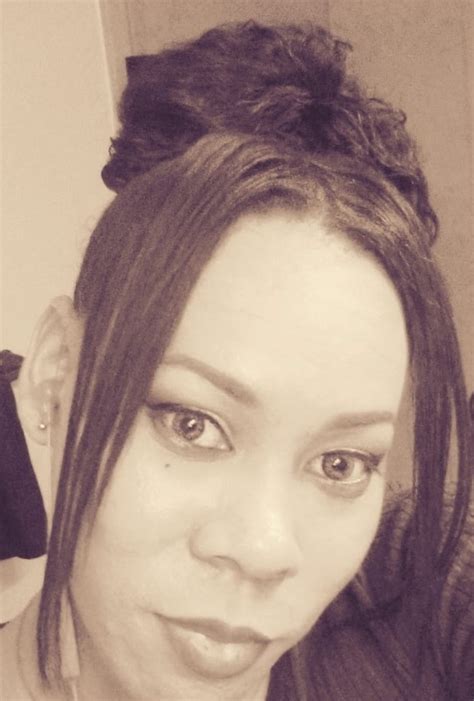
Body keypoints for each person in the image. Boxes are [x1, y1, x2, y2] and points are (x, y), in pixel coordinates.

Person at [1, 21, 473, 701]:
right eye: (191, 424)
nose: (264, 550)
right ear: (54, 374)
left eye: (341, 464)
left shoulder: (411, 597)